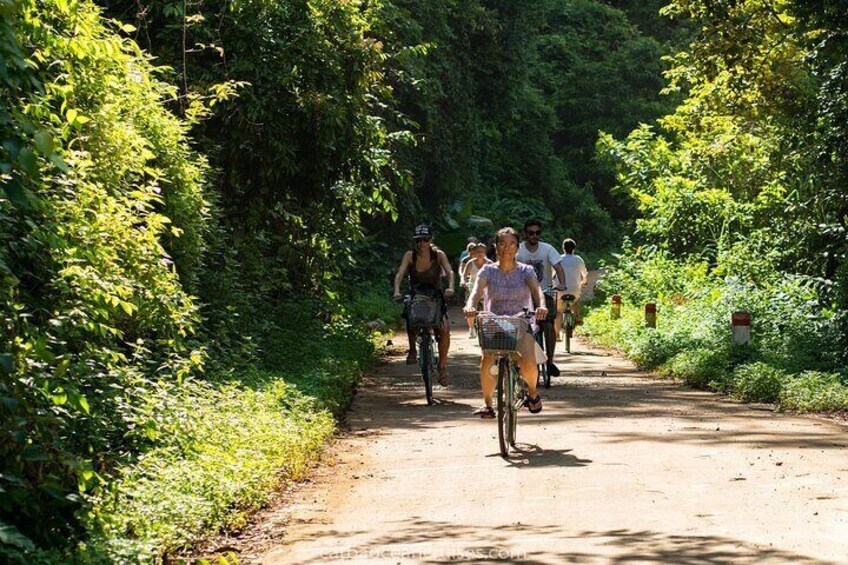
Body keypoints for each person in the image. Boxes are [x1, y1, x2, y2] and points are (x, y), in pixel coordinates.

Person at [463, 227, 547, 418]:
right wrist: (470, 306)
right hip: (495, 322)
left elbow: (537, 292)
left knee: (526, 359)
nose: (506, 248)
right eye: (502, 243)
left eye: (511, 244)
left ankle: (532, 393)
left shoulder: (526, 270)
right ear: (495, 247)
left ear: (517, 247)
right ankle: (488, 404)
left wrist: (541, 306)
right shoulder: (487, 271)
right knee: (487, 359)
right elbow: (476, 293)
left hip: (521, 321)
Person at [393, 224, 456, 385]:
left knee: (444, 330)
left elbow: (450, 271)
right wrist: (397, 290)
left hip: (435, 296)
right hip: (417, 295)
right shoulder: (410, 256)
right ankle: (413, 349)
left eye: (425, 240)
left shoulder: (438, 255)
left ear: (430, 240)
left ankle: (442, 369)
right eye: (419, 240)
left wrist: (450, 287)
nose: (422, 243)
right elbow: (400, 273)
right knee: (410, 313)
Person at [516, 219, 566, 377]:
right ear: (525, 234)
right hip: (522, 294)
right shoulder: (518, 250)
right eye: (531, 233)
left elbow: (558, 266)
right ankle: (518, 361)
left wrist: (562, 283)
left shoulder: (547, 248)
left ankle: (550, 361)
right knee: (519, 326)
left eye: (537, 233)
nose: (534, 236)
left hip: (545, 292)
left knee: (549, 326)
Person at [555, 238, 589, 336]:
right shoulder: (578, 259)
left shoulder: (558, 259)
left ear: (563, 248)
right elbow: (585, 275)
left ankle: (556, 334)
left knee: (558, 311)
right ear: (574, 249)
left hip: (560, 290)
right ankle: (577, 317)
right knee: (575, 300)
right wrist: (584, 282)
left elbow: (552, 273)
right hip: (574, 290)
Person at [459, 242, 492, 338]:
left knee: (489, 307)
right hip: (472, 288)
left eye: (482, 251)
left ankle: (487, 327)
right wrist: (463, 282)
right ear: (475, 252)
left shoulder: (489, 263)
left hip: (485, 289)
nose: (480, 253)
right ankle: (471, 328)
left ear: (485, 252)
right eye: (478, 251)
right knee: (470, 307)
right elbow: (464, 275)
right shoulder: (470, 263)